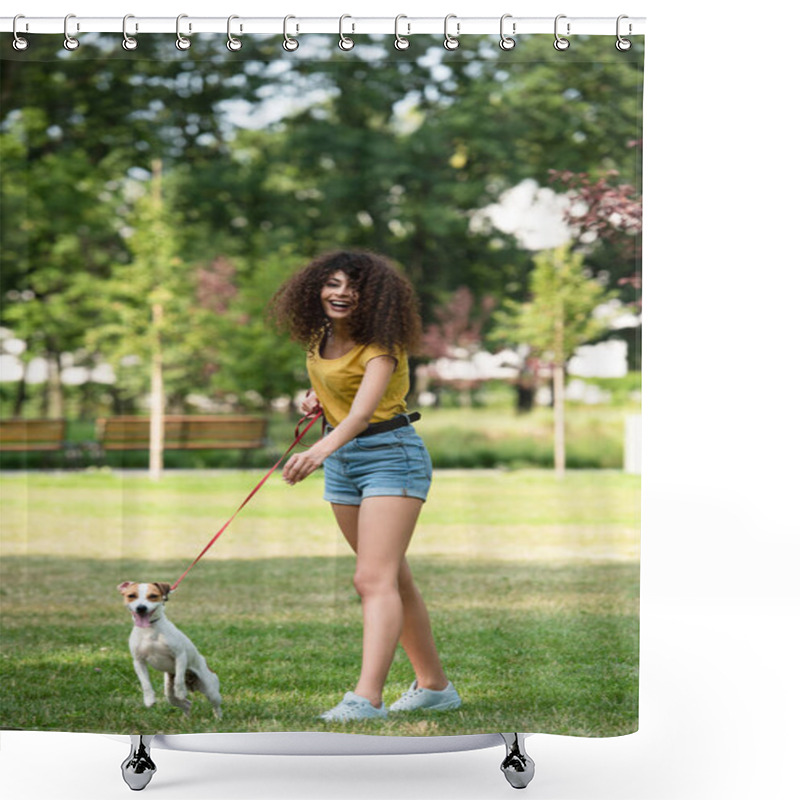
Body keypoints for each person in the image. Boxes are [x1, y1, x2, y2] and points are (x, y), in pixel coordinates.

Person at [269, 250, 461, 722]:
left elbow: (360, 414)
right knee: (393, 576)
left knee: (370, 579)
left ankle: (367, 699)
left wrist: (317, 451)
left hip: (389, 456)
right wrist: (316, 398)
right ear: (316, 288)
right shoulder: (321, 337)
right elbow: (340, 396)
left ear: (372, 297)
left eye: (352, 287)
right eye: (331, 283)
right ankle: (435, 687)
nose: (340, 293)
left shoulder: (382, 344)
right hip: (345, 461)